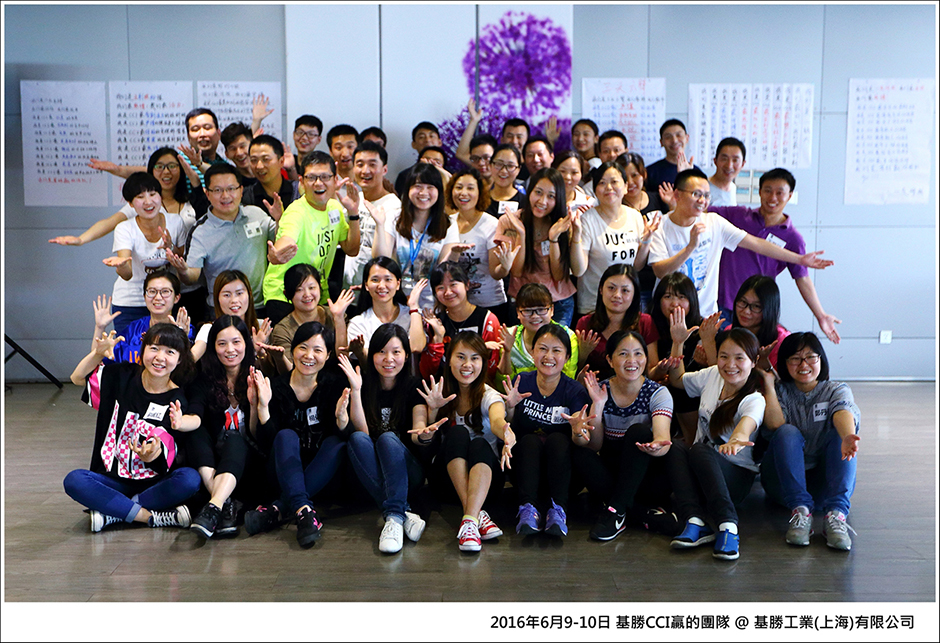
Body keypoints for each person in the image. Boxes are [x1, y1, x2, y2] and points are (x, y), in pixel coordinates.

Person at [64, 323, 200, 533]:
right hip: (111, 480)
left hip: (153, 484)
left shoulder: (177, 399)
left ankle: (114, 511)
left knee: (190, 479)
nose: (160, 357)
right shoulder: (121, 375)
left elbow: (165, 447)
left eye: (170, 352)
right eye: (154, 348)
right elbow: (77, 378)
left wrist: (151, 454)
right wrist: (97, 354)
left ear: (180, 359)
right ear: (143, 350)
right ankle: (147, 517)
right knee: (75, 480)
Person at [648, 169, 833, 317]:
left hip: (705, 314)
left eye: (706, 195)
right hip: (667, 312)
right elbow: (660, 271)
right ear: (678, 195)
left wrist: (799, 259)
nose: (702, 200)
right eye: (696, 194)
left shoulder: (714, 222)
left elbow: (757, 244)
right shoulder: (659, 224)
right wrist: (690, 247)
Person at [242, 322, 353, 548]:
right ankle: (303, 509)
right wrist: (262, 407)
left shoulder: (335, 385)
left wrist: (343, 420)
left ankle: (280, 509)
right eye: (303, 347)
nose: (309, 356)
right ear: (292, 350)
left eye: (318, 350)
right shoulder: (276, 387)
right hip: (283, 474)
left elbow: (347, 438)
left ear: (328, 355)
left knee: (336, 443)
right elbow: (267, 444)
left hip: (321, 476)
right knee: (286, 436)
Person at [665, 327, 766, 561]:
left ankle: (728, 526)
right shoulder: (712, 375)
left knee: (700, 449)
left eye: (739, 358)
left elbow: (746, 426)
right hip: (702, 471)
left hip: (734, 479)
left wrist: (736, 440)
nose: (730, 365)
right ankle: (695, 521)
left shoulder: (754, 399)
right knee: (675, 447)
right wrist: (677, 343)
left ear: (753, 362)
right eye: (724, 356)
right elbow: (677, 380)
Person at [710, 167, 842, 343]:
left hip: (756, 311)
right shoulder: (737, 215)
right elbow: (701, 211)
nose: (773, 198)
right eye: (767, 191)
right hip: (721, 304)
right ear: (759, 192)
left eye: (780, 193)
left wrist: (821, 315)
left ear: (789, 195)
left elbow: (802, 278)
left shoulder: (793, 238)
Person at [343, 324, 443, 554]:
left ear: (406, 356)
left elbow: (418, 428)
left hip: (408, 473)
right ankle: (400, 515)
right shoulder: (363, 383)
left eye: (396, 352)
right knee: (356, 439)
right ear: (372, 355)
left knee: (388, 439)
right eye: (381, 352)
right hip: (374, 471)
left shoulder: (413, 386)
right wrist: (356, 391)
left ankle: (395, 515)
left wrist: (425, 434)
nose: (389, 359)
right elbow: (363, 435)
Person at [759, 332, 860, 550]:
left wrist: (847, 436)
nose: (803, 364)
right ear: (785, 363)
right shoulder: (780, 392)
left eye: (810, 357)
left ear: (821, 360)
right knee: (786, 432)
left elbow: (842, 411)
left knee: (839, 434)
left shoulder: (836, 389)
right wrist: (768, 384)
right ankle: (800, 512)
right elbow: (775, 425)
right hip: (782, 485)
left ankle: (836, 515)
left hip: (824, 485)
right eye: (795, 358)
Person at [573, 331, 675, 540]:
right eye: (623, 354)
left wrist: (655, 446)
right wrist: (598, 405)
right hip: (614, 474)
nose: (632, 361)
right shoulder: (600, 390)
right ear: (610, 360)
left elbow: (663, 439)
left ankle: (616, 510)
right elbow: (595, 446)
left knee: (639, 431)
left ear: (645, 358)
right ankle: (640, 514)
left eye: (638, 354)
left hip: (646, 476)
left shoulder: (657, 393)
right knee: (579, 452)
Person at [418, 332, 512, 551]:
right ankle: (476, 515)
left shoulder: (490, 395)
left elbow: (497, 420)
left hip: (487, 484)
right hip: (446, 482)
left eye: (474, 358)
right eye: (460, 357)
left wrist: (506, 433)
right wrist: (433, 410)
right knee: (458, 433)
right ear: (449, 359)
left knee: (480, 443)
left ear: (483, 363)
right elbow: (426, 436)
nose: (467, 364)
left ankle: (470, 519)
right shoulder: (438, 393)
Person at [499, 324, 591, 537]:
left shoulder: (574, 391)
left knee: (558, 439)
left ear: (567, 357)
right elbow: (509, 427)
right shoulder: (521, 382)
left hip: (562, 475)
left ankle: (558, 511)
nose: (549, 356)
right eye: (542, 349)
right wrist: (510, 408)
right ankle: (527, 509)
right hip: (525, 472)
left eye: (556, 350)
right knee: (529, 440)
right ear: (532, 352)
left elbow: (583, 441)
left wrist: (578, 431)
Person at [186, 316, 270, 539]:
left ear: (246, 344)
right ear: (213, 347)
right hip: (214, 465)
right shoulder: (203, 380)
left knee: (235, 438)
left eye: (236, 342)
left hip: (249, 466)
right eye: (222, 343)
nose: (230, 350)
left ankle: (213, 506)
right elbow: (195, 410)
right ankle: (222, 503)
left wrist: (256, 404)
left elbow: (260, 436)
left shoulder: (259, 376)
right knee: (195, 429)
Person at [262, 150, 361, 324]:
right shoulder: (296, 212)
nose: (318, 183)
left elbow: (352, 249)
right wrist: (276, 254)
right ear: (301, 182)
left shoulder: (335, 208)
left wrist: (353, 213)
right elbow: (287, 238)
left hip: (316, 293)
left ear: (335, 180)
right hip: (284, 294)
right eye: (311, 178)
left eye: (325, 177)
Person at [167, 164, 277, 314]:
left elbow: (279, 240)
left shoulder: (256, 214)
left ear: (241, 190)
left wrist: (279, 219)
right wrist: (183, 271)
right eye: (218, 190)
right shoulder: (200, 231)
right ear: (207, 194)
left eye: (231, 189)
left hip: (259, 306)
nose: (225, 196)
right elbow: (192, 277)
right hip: (220, 309)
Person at [103, 172, 187, 337]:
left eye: (153, 194)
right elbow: (127, 274)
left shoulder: (175, 222)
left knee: (166, 347)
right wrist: (121, 265)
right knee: (130, 349)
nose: (148, 202)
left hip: (163, 300)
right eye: (140, 197)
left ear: (161, 196)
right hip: (131, 301)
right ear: (130, 204)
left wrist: (170, 247)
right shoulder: (125, 228)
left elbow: (182, 258)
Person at [372, 162, 462, 311]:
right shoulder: (393, 218)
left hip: (430, 304)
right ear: (408, 189)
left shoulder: (448, 224)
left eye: (430, 187)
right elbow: (381, 259)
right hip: (395, 301)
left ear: (439, 191)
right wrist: (380, 225)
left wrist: (455, 254)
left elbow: (444, 270)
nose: (423, 192)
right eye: (418, 186)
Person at [493, 167, 577, 326]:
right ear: (529, 191)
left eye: (551, 196)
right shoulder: (510, 221)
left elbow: (558, 275)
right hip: (523, 302)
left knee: (554, 342)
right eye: (538, 192)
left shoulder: (563, 224)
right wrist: (521, 234)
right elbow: (517, 272)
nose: (542, 201)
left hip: (558, 302)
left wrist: (553, 238)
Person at [570, 160, 653, 317]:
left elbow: (636, 266)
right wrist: (576, 235)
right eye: (602, 183)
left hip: (626, 305)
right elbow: (579, 270)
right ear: (595, 190)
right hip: (593, 306)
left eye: (614, 182)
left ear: (625, 186)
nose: (608, 187)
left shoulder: (635, 216)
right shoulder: (587, 219)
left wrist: (646, 240)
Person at [648, 272, 710, 446]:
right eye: (668, 297)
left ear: (692, 301)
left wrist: (702, 364)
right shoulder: (651, 327)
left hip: (693, 394)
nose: (675, 303)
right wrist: (660, 371)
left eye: (682, 297)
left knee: (684, 391)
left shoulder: (703, 329)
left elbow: (713, 371)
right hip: (660, 389)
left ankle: (692, 444)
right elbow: (650, 374)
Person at [444, 168, 511, 319]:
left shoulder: (491, 224)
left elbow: (496, 273)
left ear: (480, 193)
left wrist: (505, 267)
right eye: (459, 187)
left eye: (470, 188)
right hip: (456, 303)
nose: (463, 193)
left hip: (489, 304)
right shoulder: (447, 223)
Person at [88, 270, 193, 366]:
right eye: (152, 291)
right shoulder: (134, 328)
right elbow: (98, 361)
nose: (158, 297)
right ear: (144, 296)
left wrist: (181, 336)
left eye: (165, 291)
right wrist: (100, 327)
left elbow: (187, 367)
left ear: (176, 298)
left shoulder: (185, 328)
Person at [419, 262, 501, 380]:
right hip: (443, 387)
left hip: (478, 387)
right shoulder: (434, 322)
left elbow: (491, 370)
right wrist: (438, 338)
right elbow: (428, 373)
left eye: (453, 285)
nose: (448, 292)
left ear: (467, 285)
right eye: (441, 288)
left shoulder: (487, 320)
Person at [574, 264, 657, 379]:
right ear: (601, 289)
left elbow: (652, 370)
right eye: (611, 288)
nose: (617, 295)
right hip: (594, 386)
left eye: (625, 290)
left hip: (634, 387)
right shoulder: (585, 323)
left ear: (634, 294)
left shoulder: (645, 322)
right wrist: (583, 354)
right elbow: (573, 373)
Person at [270, 263, 354, 373]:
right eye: (299, 289)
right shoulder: (283, 329)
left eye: (311, 288)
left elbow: (344, 358)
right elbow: (289, 372)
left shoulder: (334, 313)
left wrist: (338, 318)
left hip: (336, 376)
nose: (307, 294)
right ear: (287, 293)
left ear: (320, 287)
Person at [345, 141, 402, 292]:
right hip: (349, 289)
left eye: (372, 164)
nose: (365, 171)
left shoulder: (394, 206)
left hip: (377, 290)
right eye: (360, 164)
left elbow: (386, 256)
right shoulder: (354, 199)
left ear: (384, 169)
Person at [700, 275, 789, 370]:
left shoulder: (782, 340)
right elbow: (723, 373)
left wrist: (766, 366)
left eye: (756, 306)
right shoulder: (730, 330)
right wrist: (706, 357)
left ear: (769, 310)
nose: (746, 311)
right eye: (743, 302)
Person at [617, 151, 669, 312]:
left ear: (644, 174)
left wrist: (672, 206)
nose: (631, 182)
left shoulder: (659, 199)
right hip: (632, 281)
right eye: (625, 177)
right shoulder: (616, 208)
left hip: (660, 280)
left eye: (635, 175)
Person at [346, 256, 427, 358]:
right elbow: (367, 362)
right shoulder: (358, 323)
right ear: (366, 285)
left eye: (388, 279)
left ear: (398, 284)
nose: (381, 286)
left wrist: (414, 306)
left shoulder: (412, 316)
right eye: (375, 280)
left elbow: (416, 347)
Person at [498, 283, 579, 381]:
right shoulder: (508, 335)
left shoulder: (568, 336)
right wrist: (506, 353)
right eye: (527, 310)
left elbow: (568, 379)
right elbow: (503, 383)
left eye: (541, 310)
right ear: (518, 312)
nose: (535, 316)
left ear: (552, 310)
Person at [190, 270, 272, 364]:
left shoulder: (262, 327)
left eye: (239, 293)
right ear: (217, 298)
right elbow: (193, 356)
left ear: (249, 295)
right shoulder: (209, 329)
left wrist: (259, 352)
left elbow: (272, 369)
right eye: (227, 295)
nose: (234, 300)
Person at [240, 135, 299, 216]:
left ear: (281, 161)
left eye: (265, 159)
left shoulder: (298, 192)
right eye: (254, 160)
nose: (259, 166)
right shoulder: (245, 197)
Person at [644, 119, 703, 192]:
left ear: (687, 138)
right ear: (661, 142)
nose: (674, 141)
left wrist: (687, 174)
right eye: (668, 137)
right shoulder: (650, 172)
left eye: (679, 135)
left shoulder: (696, 172)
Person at [394, 121, 443, 195]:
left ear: (439, 142)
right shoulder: (405, 176)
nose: (427, 140)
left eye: (431, 136)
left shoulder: (451, 173)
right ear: (413, 144)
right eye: (421, 137)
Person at [485, 144, 525, 217]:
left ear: (518, 170)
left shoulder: (525, 202)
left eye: (510, 166)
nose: (504, 171)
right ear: (490, 165)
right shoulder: (480, 199)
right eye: (499, 164)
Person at [708, 137, 745, 207]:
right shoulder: (704, 188)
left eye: (735, 160)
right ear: (715, 161)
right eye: (724, 159)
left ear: (742, 164)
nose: (729, 166)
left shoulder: (733, 188)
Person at [220, 121, 258, 188]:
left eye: (242, 146)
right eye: (233, 149)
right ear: (227, 154)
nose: (239, 153)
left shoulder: (269, 173)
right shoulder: (230, 183)